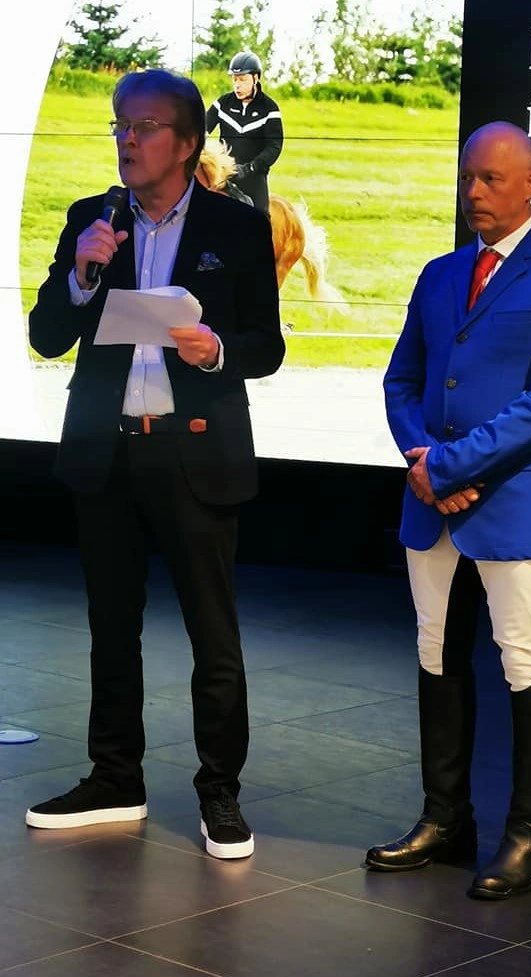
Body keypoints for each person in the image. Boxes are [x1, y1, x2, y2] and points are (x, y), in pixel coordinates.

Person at [26, 69, 285, 860]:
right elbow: (46, 335)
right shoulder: (92, 219)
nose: (126, 140)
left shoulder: (236, 228)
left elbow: (266, 347)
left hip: (193, 449)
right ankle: (115, 776)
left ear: (187, 143)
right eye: (119, 125)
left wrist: (215, 350)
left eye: (143, 127)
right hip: (106, 448)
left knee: (213, 631)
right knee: (112, 626)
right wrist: (81, 276)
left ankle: (219, 791)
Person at [364, 121, 531, 900]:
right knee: (436, 651)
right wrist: (421, 459)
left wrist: (446, 467)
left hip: (510, 502)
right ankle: (445, 819)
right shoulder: (440, 273)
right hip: (431, 500)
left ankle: (530, 837)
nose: (473, 191)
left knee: (524, 659)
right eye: (467, 176)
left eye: (491, 179)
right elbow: (401, 381)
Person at [206, 51, 283, 215]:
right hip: (224, 175)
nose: (237, 85)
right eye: (234, 79)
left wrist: (250, 168)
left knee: (261, 219)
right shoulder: (223, 103)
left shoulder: (270, 108)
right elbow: (202, 130)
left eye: (242, 79)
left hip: (254, 178)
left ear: (255, 78)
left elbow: (274, 147)